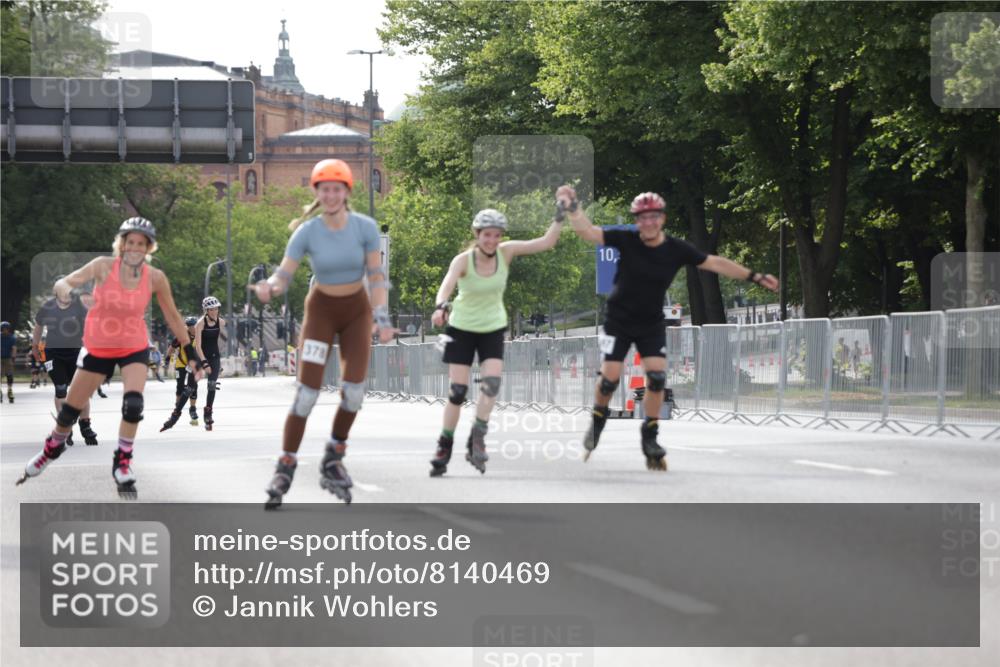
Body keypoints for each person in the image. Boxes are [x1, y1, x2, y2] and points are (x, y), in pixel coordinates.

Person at [561, 187, 779, 470]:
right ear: (637, 221)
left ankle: (650, 436)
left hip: (650, 323)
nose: (648, 223)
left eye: (653, 217)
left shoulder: (676, 249)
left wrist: (755, 276)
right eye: (642, 218)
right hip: (619, 320)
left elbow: (714, 262)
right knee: (608, 381)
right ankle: (598, 419)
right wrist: (573, 208)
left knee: (657, 379)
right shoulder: (626, 240)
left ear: (662, 218)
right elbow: (588, 232)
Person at [16, 217, 205, 498]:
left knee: (133, 404)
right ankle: (51, 448)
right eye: (131, 242)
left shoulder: (155, 277)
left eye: (142, 244)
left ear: (148, 248)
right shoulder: (103, 266)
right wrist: (71, 291)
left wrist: (191, 354)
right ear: (122, 244)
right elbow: (64, 283)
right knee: (70, 410)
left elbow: (174, 318)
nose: (135, 248)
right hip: (98, 345)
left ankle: (123, 461)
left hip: (133, 345)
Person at [254, 158, 394, 508]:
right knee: (306, 394)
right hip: (321, 312)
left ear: (347, 192)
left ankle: (334, 456)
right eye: (324, 189)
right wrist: (270, 287)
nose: (331, 195)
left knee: (355, 393)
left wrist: (382, 315)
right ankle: (286, 463)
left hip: (356, 312)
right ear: (317, 192)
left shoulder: (365, 227)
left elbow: (376, 275)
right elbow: (284, 274)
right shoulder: (307, 231)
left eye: (337, 189)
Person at [427, 203, 564, 477]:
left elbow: (547, 242)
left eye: (496, 235)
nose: (491, 240)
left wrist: (561, 215)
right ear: (477, 234)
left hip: (492, 328)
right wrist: (441, 306)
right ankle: (445, 443)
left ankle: (477, 437)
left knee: (491, 385)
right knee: (458, 392)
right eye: (486, 234)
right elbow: (447, 285)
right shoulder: (463, 260)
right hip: (462, 328)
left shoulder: (506, 252)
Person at [32, 287, 99, 445]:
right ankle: (65, 426)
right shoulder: (47, 307)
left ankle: (85, 425)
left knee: (81, 390)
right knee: (61, 388)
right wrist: (35, 346)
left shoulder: (79, 306)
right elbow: (38, 326)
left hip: (76, 352)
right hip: (54, 354)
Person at [160, 317, 201, 431]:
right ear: (188, 327)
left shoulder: (199, 335)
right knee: (180, 386)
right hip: (181, 363)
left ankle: (192, 409)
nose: (194, 329)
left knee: (193, 387)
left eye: (195, 326)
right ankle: (177, 408)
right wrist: (167, 360)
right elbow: (171, 348)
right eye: (192, 327)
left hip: (193, 364)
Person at [194, 296, 226, 431]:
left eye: (216, 309)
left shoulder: (222, 322)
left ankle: (208, 414)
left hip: (215, 357)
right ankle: (185, 409)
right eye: (211, 309)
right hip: (201, 356)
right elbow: (198, 346)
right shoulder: (200, 324)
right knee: (190, 386)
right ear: (206, 310)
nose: (214, 312)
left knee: (211, 385)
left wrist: (215, 361)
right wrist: (204, 362)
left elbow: (217, 340)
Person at [1, 321, 16, 403]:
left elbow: (14, 348)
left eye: (6, 329)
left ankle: (9, 391)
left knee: (9, 375)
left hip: (8, 358)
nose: (5, 330)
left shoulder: (12, 338)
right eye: (3, 329)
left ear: (8, 329)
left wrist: (13, 358)